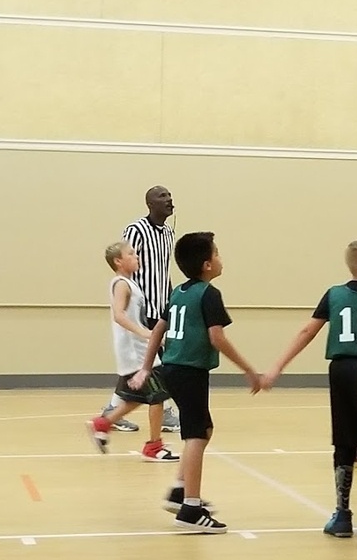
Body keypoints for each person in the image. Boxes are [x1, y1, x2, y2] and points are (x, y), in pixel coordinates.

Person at [264, 239, 357, 542]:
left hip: (339, 371)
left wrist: (278, 365)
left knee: (344, 441)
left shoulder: (334, 295)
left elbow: (308, 331)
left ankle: (342, 514)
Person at [132, 232, 261, 533]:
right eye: (217, 253)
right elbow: (217, 338)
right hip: (189, 371)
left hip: (174, 368)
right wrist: (248, 369)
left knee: (203, 429)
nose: (220, 259)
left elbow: (158, 330)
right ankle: (191, 507)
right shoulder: (208, 294)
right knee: (196, 435)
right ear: (206, 264)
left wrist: (147, 366)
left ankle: (179, 490)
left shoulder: (178, 292)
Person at [85, 242, 179, 462]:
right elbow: (119, 315)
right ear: (118, 261)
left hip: (137, 351)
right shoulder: (121, 285)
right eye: (131, 254)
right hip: (136, 352)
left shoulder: (129, 284)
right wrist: (147, 334)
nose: (137, 256)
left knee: (138, 397)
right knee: (159, 395)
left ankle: (103, 423)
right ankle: (154, 447)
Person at [100, 186, 180, 433]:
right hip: (142, 308)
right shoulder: (136, 231)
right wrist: (133, 301)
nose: (168, 200)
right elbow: (127, 263)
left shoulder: (168, 232)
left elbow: (163, 269)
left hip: (161, 304)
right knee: (152, 362)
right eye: (162, 197)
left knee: (149, 363)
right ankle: (162, 409)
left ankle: (113, 411)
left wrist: (170, 297)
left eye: (169, 196)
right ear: (149, 204)